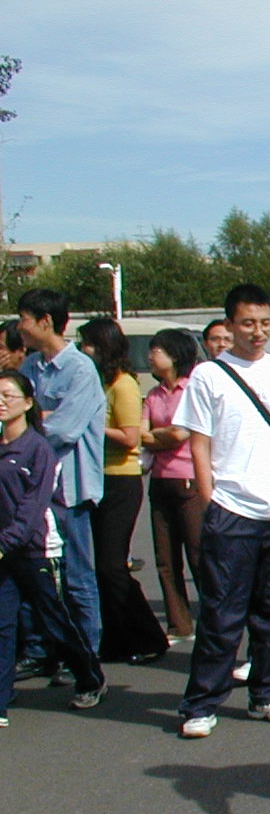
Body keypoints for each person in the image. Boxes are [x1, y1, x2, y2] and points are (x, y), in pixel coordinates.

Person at [173, 284, 270, 739]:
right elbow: (199, 444)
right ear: (230, 325)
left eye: (263, 323)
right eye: (247, 323)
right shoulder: (209, 376)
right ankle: (201, 703)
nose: (257, 332)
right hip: (232, 509)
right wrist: (210, 500)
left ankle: (269, 694)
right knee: (222, 613)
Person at [0, 370, 108, 726]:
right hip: (5, 553)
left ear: (28, 403)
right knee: (3, 625)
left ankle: (90, 678)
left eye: (8, 396)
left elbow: (32, 508)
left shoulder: (38, 449)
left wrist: (6, 543)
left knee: (55, 623)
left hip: (36, 550)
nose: (1, 402)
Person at [16, 288, 105, 665]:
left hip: (70, 488)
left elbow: (64, 430)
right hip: (30, 488)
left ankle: (86, 658)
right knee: (32, 574)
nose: (19, 327)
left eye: (23, 319)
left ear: (45, 321)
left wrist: (32, 422)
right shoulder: (29, 367)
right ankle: (42, 652)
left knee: (76, 577)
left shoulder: (80, 369)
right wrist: (38, 420)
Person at [81, 316, 168, 664]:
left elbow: (130, 437)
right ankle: (116, 640)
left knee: (112, 565)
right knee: (100, 566)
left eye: (87, 343)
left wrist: (90, 426)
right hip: (98, 477)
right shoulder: (98, 383)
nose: (83, 349)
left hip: (121, 480)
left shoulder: (124, 385)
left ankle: (149, 637)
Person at [142, 328, 205, 643]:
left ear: (175, 355)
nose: (150, 357)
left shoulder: (192, 389)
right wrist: (161, 435)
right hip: (160, 479)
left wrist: (158, 435)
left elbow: (182, 433)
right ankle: (179, 624)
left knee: (198, 554)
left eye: (157, 351)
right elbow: (140, 434)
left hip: (189, 478)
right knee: (165, 559)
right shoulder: (153, 394)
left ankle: (213, 618)